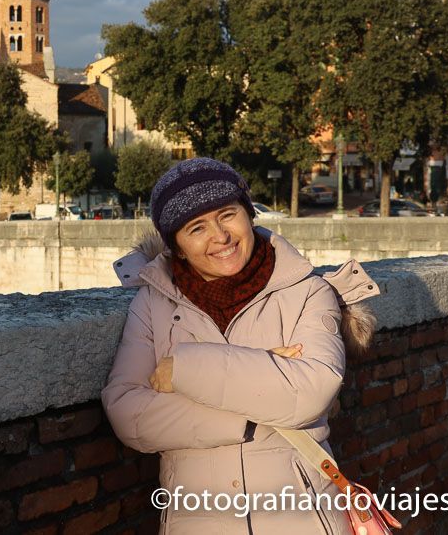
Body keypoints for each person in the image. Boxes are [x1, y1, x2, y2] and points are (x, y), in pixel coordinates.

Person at [102, 157, 379, 533]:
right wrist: (260, 388)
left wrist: (185, 371)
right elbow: (128, 414)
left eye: (227, 215)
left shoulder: (308, 291)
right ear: (177, 247)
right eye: (196, 227)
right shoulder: (152, 304)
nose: (220, 236)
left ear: (249, 215)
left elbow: (314, 390)